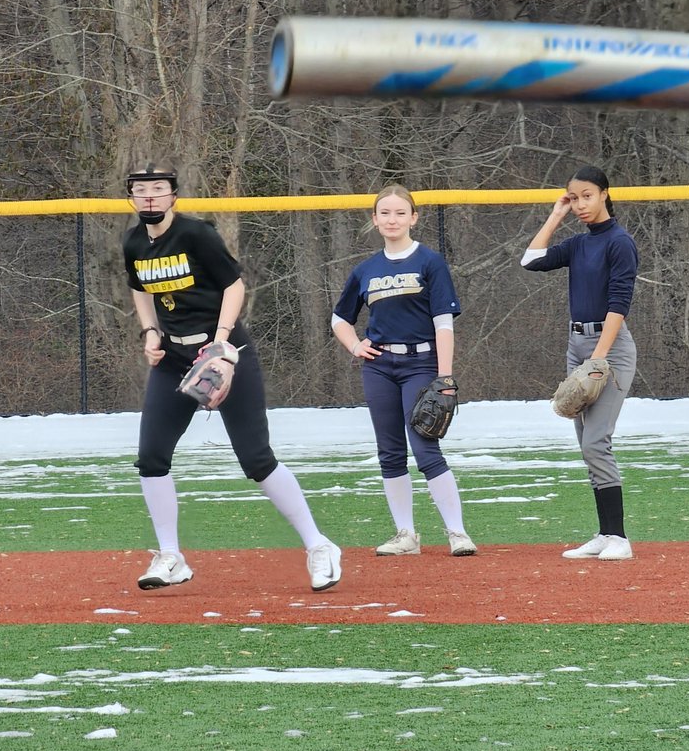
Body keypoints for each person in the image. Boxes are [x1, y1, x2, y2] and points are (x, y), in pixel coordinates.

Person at [122, 163, 342, 592]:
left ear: (173, 195)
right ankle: (171, 556)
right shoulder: (133, 241)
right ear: (131, 198)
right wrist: (150, 331)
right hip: (172, 356)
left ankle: (319, 546)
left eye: (158, 189)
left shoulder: (196, 234)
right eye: (141, 190)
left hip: (223, 351)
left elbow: (234, 286)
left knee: (256, 459)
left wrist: (222, 346)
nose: (150, 196)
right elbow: (139, 289)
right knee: (151, 456)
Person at [331, 183, 476, 557]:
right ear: (374, 220)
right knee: (390, 452)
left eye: (400, 212)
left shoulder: (429, 261)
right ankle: (405, 535)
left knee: (426, 447)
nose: (392, 219)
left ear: (413, 217)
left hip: (422, 363)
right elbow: (339, 319)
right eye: (385, 213)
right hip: (379, 366)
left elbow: (444, 322)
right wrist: (354, 345)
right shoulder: (367, 269)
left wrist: (444, 377)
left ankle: (457, 533)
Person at [521, 164, 638, 560]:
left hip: (610, 347)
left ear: (605, 193)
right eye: (574, 197)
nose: (581, 204)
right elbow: (530, 260)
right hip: (577, 345)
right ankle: (605, 534)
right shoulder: (578, 244)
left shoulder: (619, 242)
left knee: (596, 441)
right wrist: (556, 214)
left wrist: (598, 360)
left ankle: (620, 538)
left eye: (587, 195)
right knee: (584, 444)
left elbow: (619, 304)